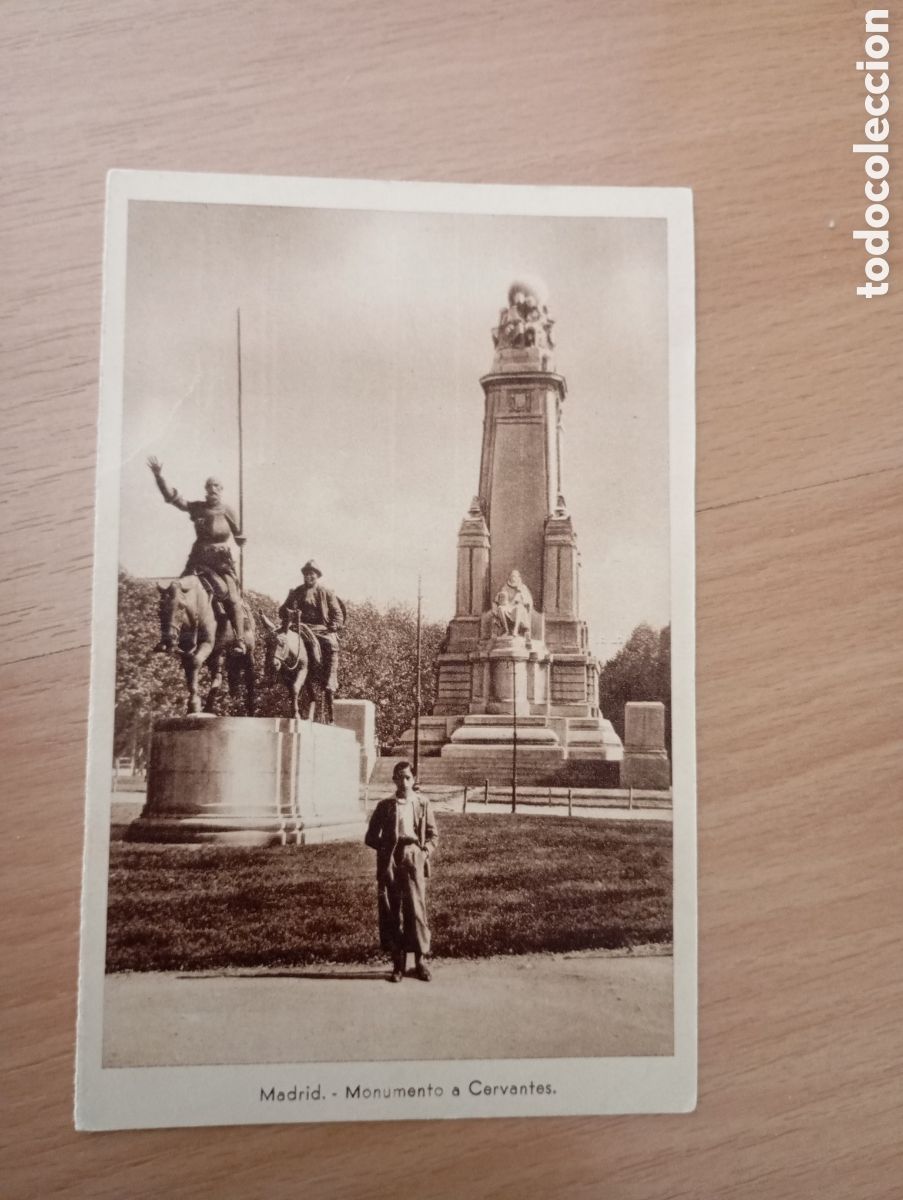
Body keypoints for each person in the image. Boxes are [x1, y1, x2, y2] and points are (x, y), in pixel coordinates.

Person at [147, 457, 248, 652]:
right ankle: (167, 637)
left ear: (221, 489)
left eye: (217, 486)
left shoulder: (228, 511)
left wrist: (241, 539)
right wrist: (159, 476)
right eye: (209, 486)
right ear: (206, 490)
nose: (213, 490)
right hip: (198, 560)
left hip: (221, 562)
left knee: (233, 599)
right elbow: (172, 498)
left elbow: (238, 536)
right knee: (174, 591)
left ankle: (240, 640)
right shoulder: (198, 508)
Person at [365, 761, 438, 982]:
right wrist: (386, 850)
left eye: (407, 777)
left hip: (414, 857)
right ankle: (398, 964)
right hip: (392, 862)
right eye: (399, 777)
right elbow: (370, 837)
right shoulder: (385, 806)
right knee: (393, 910)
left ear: (413, 779)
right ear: (394, 780)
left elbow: (433, 835)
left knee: (416, 909)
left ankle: (420, 962)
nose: (404, 782)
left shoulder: (423, 804)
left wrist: (424, 852)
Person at [278, 560, 344, 723]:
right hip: (299, 628)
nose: (309, 576)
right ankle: (279, 671)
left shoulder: (326, 592)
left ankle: (330, 679)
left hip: (320, 629)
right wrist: (288, 611)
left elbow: (338, 613)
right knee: (279, 641)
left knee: (330, 644)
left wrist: (334, 625)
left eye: (312, 574)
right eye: (306, 573)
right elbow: (282, 610)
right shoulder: (296, 591)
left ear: (317, 576)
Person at [492, 568, 533, 644]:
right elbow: (497, 599)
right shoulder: (505, 587)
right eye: (511, 576)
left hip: (518, 609)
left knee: (519, 608)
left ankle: (515, 630)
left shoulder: (523, 587)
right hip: (508, 607)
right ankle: (506, 630)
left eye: (514, 576)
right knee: (500, 608)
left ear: (518, 578)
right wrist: (502, 599)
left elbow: (528, 602)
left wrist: (521, 595)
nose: (513, 578)